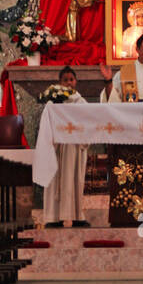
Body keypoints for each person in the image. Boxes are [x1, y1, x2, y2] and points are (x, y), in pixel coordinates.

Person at [43, 65, 90, 227]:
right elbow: (47, 122)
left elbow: (88, 121)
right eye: (65, 80)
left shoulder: (81, 101)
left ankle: (76, 216)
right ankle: (52, 217)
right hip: (57, 148)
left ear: (76, 81)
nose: (69, 83)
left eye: (71, 79)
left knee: (75, 180)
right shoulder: (52, 101)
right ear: (59, 82)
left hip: (74, 148)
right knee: (54, 181)